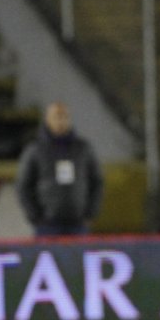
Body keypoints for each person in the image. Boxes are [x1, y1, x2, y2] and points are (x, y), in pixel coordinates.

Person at [16, 102, 103, 237]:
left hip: (78, 224)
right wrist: (35, 217)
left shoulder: (83, 148)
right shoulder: (35, 150)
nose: (61, 121)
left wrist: (90, 213)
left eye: (65, 117)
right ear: (47, 120)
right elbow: (23, 185)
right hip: (47, 225)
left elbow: (96, 181)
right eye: (57, 117)